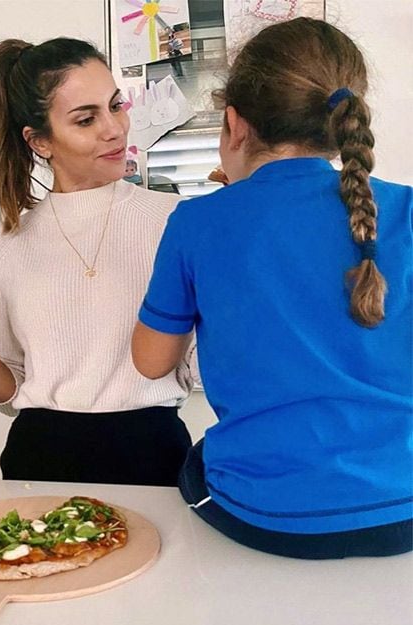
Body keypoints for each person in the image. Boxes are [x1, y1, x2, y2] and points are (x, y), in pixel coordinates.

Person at [132, 17, 412, 558]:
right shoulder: (402, 209)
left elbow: (150, 362)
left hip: (267, 518)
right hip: (400, 510)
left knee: (197, 460)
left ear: (235, 125)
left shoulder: (198, 222)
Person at [0, 38, 194, 486]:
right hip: (40, 454)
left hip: (152, 449)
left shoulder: (177, 220)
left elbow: (198, 359)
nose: (114, 129)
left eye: (116, 106)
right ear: (40, 141)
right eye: (86, 119)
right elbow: (9, 391)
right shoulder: (5, 244)